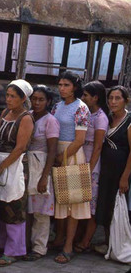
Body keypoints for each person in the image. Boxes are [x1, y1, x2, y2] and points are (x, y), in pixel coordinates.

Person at [0, 79, 34, 267]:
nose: (8, 99)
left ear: (23, 98)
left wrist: (1, 167)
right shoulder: (5, 113)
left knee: (14, 207)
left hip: (14, 165)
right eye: (7, 95)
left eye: (12, 96)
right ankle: (1, 243)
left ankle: (15, 250)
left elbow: (20, 147)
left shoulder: (25, 118)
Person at [50, 71, 90, 264]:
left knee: (73, 202)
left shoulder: (81, 108)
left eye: (66, 85)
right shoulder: (57, 106)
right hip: (57, 154)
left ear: (75, 87)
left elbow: (80, 140)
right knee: (60, 201)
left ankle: (68, 246)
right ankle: (58, 238)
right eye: (60, 85)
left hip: (71, 155)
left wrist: (61, 156)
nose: (62, 88)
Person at [24, 85, 59, 261]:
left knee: (41, 210)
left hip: (41, 165)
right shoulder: (27, 116)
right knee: (27, 208)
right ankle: (24, 245)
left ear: (48, 102)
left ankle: (39, 248)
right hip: (26, 165)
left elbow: (52, 150)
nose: (36, 102)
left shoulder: (50, 120)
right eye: (34, 99)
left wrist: (45, 176)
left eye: (41, 99)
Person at [95, 86, 131, 253]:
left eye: (118, 98)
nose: (113, 102)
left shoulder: (128, 121)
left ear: (126, 100)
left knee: (119, 207)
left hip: (120, 171)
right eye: (111, 98)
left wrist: (125, 177)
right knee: (107, 206)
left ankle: (120, 246)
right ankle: (110, 243)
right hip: (106, 170)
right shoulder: (108, 119)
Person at [75, 81, 108, 252]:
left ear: (95, 98)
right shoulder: (87, 114)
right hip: (82, 160)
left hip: (91, 165)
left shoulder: (101, 117)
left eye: (86, 95)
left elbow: (97, 146)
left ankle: (86, 241)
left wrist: (89, 169)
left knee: (91, 206)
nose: (83, 98)